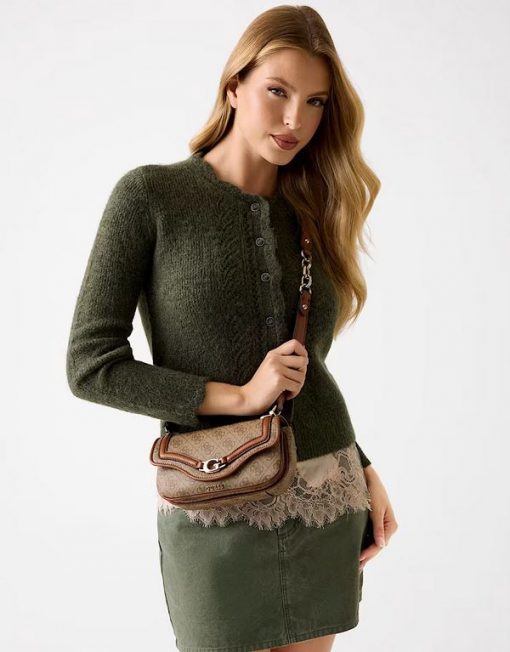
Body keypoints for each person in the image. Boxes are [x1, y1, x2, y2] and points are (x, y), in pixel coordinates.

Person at [66, 5, 398, 652]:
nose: (294, 120)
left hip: (325, 489)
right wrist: (239, 397)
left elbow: (309, 373)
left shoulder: (311, 212)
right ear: (234, 86)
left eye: (315, 102)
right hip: (211, 501)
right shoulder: (150, 197)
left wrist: (362, 465)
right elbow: (91, 365)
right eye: (277, 91)